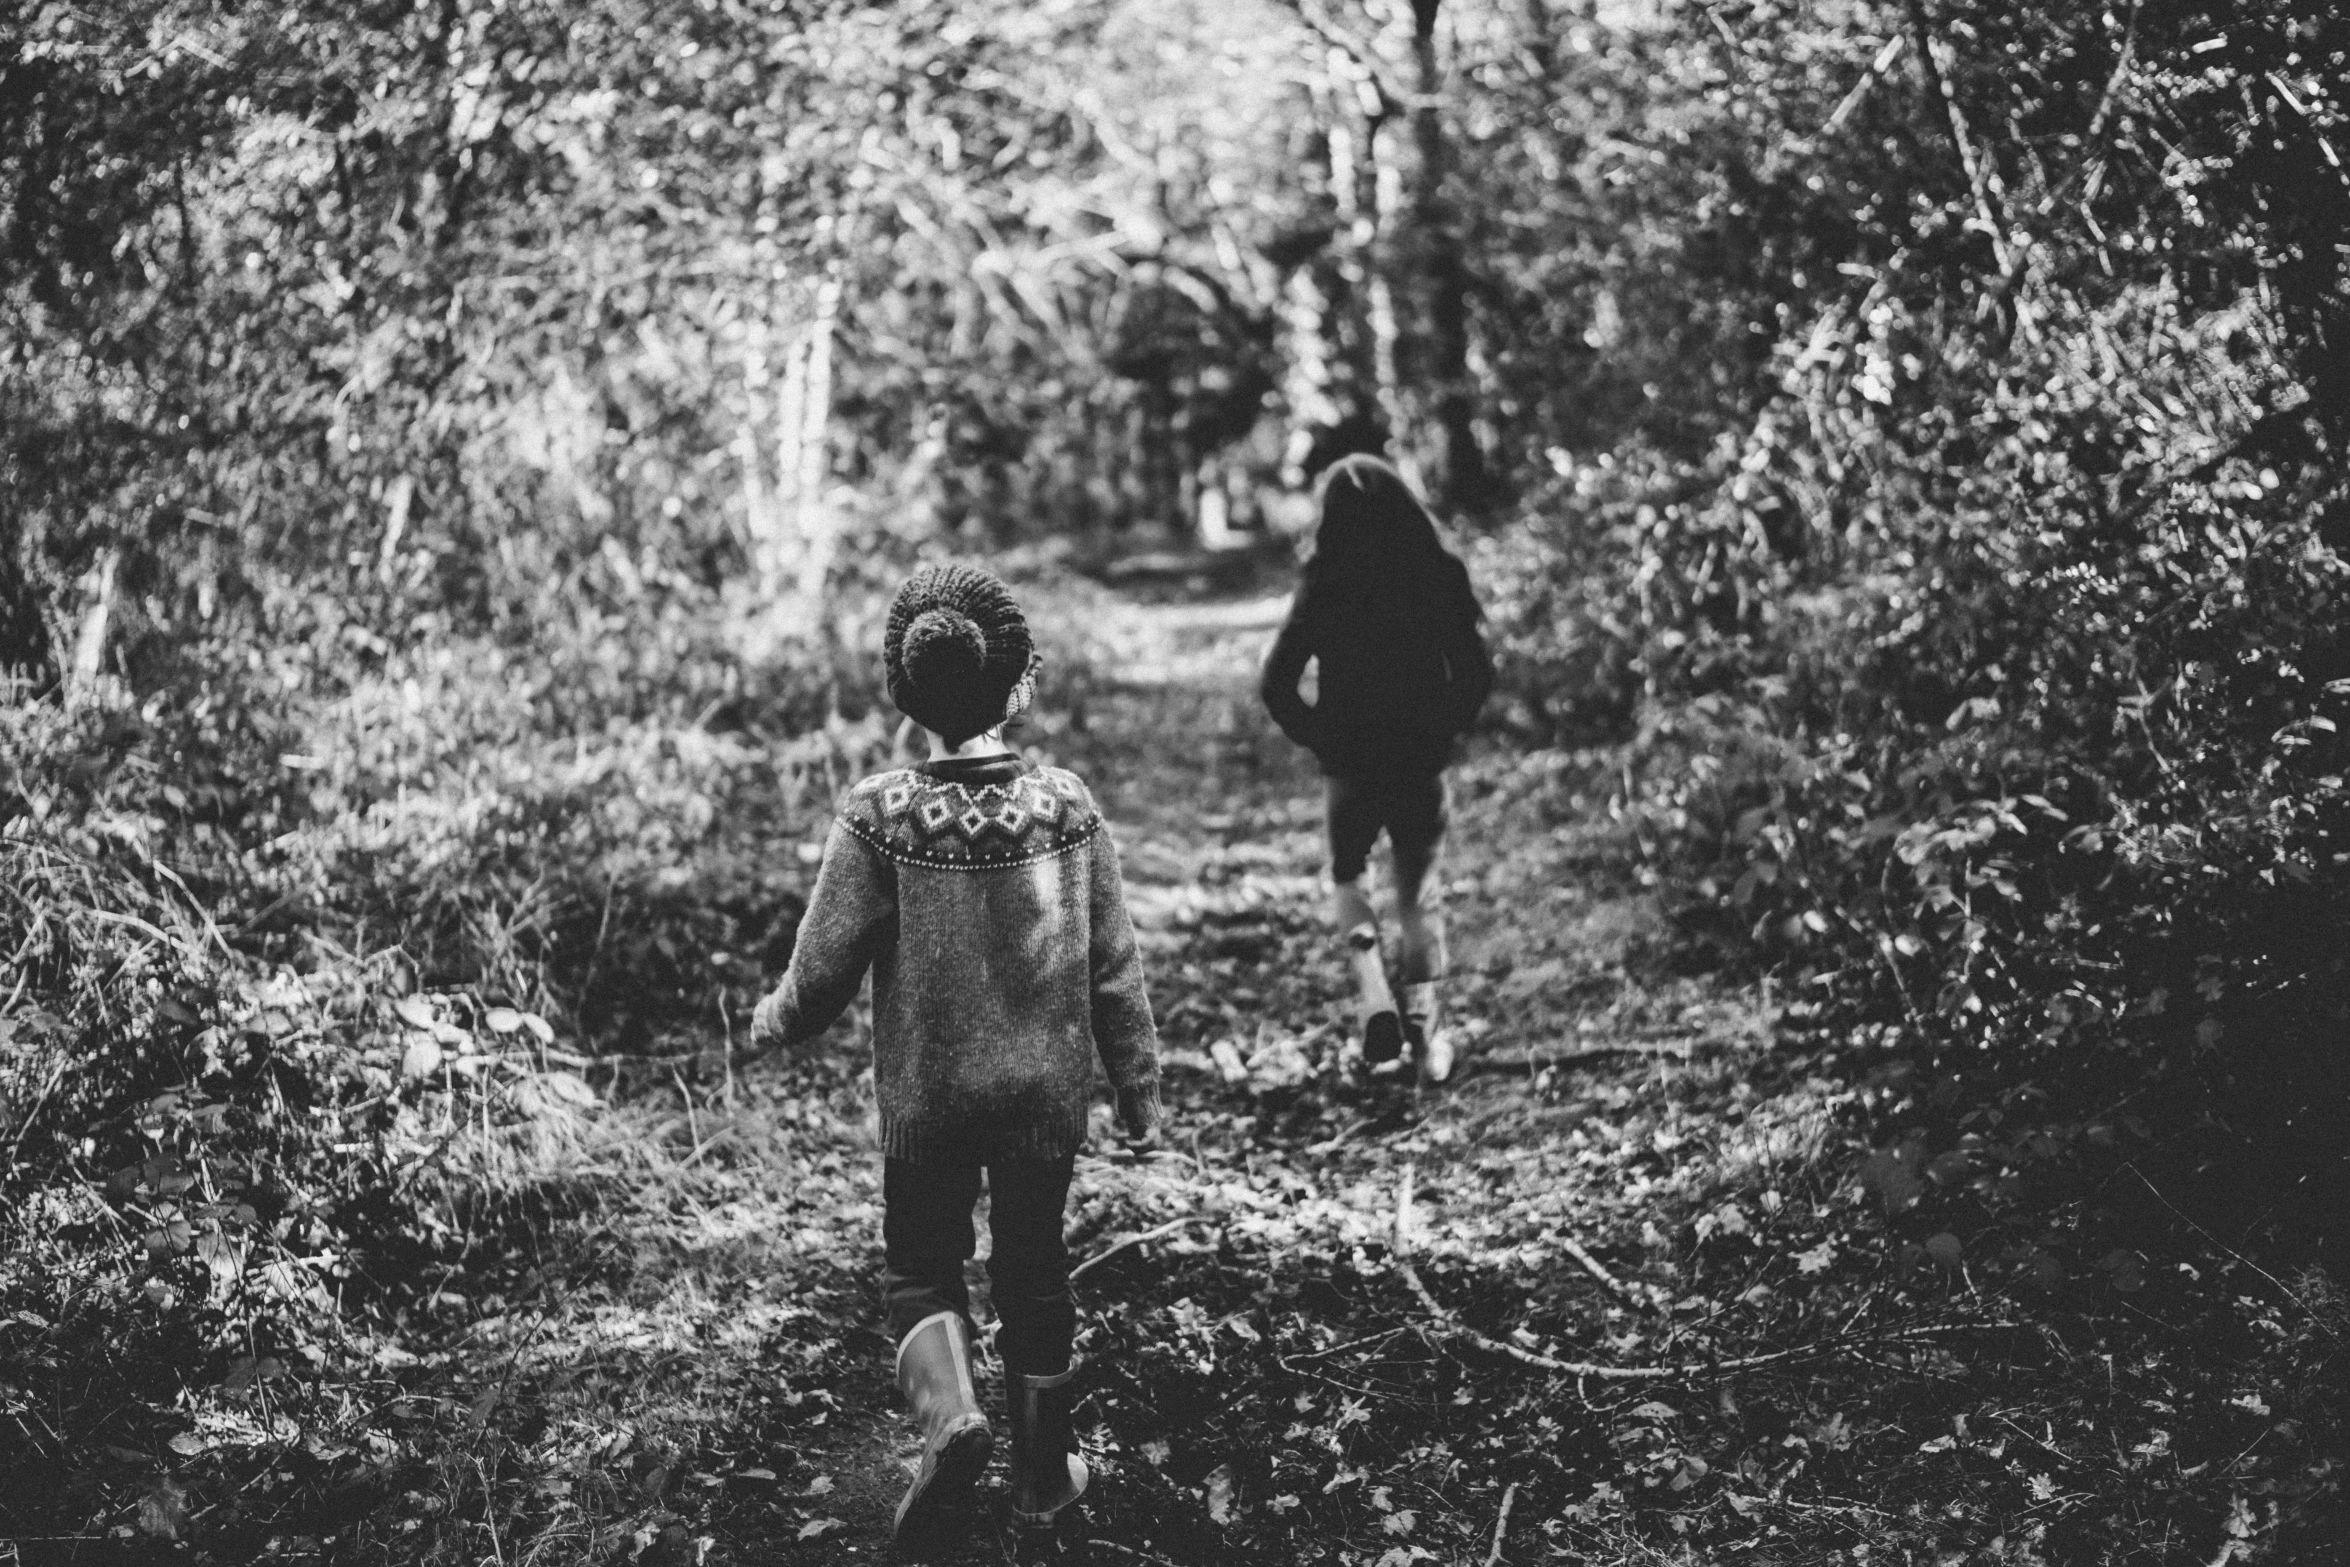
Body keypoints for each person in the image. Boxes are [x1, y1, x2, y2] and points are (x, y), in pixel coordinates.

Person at [742, 563, 1161, 1551]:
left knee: (921, 1268)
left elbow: (823, 967)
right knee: (1034, 1272)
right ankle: (1044, 1481)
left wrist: (774, 1020)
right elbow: (1113, 969)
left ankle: (950, 1418)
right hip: (1041, 1102)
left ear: (904, 692)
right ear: (1014, 683)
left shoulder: (880, 812)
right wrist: (1140, 1095)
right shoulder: (1065, 804)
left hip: (928, 1099)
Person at [1260, 454, 1493, 1085]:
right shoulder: (1439, 573)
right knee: (1420, 892)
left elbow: (1276, 683)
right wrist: (1448, 726)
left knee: (1349, 878)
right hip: (1420, 756)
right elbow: (1477, 671)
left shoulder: (1325, 579)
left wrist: (1321, 737)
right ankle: (1428, 1037)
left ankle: (1374, 998)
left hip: (1351, 761)